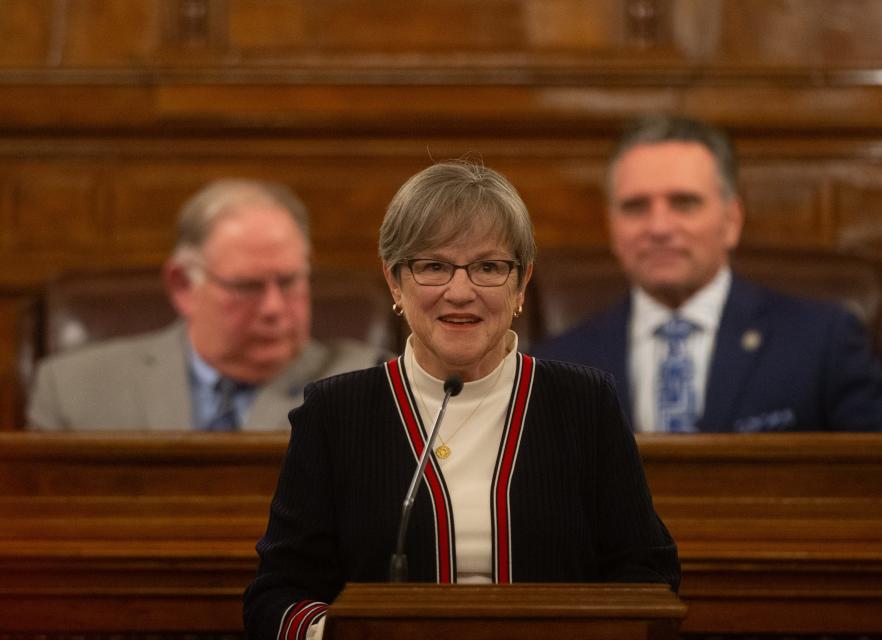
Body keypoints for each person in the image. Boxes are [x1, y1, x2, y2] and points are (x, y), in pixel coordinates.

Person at [243, 161, 680, 640]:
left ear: (521, 282)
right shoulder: (335, 414)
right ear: (394, 281)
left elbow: (647, 573)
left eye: (488, 267)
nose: (460, 292)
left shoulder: (584, 404)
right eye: (433, 266)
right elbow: (277, 594)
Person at [532, 114, 882, 433]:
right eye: (635, 207)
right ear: (612, 227)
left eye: (684, 203)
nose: (659, 227)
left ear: (731, 220)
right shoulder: (558, 366)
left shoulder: (822, 342)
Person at [27, 178, 385, 431]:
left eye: (290, 281)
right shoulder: (73, 391)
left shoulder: (371, 391)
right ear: (183, 285)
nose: (274, 308)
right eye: (247, 286)